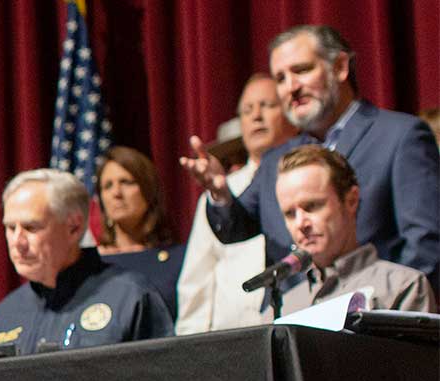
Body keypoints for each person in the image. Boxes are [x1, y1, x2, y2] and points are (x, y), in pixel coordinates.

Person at [180, 24, 440, 285]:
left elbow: (425, 244)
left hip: (374, 313)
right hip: (292, 316)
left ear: (339, 67)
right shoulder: (275, 161)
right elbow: (235, 228)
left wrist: (393, 310)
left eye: (301, 70)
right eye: (280, 78)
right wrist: (221, 195)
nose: (291, 87)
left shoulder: (400, 136)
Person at [0, 169, 173, 355]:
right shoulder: (3, 315)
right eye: (11, 228)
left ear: (74, 227)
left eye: (31, 228)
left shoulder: (130, 296)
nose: (18, 242)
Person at [177, 74, 298, 333]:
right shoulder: (221, 192)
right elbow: (196, 281)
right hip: (231, 341)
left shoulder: (308, 182)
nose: (256, 116)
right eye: (247, 110)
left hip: (292, 327)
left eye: (267, 106)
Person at [276, 145, 436, 315]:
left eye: (312, 206)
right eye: (290, 214)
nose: (301, 223)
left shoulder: (402, 287)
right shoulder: (282, 309)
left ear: (351, 200)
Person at [94, 146, 185, 318]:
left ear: (148, 189)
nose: (116, 193)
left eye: (126, 182)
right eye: (107, 186)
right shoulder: (89, 263)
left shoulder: (180, 258)